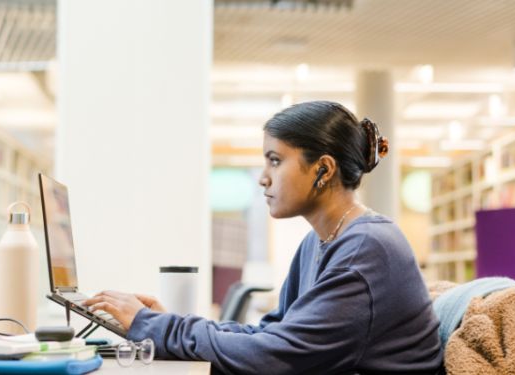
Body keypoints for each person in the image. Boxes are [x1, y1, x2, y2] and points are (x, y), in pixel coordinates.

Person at [84, 101, 443, 374]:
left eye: (275, 160)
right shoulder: (321, 242)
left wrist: (160, 328)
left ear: (324, 169)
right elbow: (270, 333)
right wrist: (167, 324)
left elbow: (275, 357)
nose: (263, 178)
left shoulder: (367, 249)